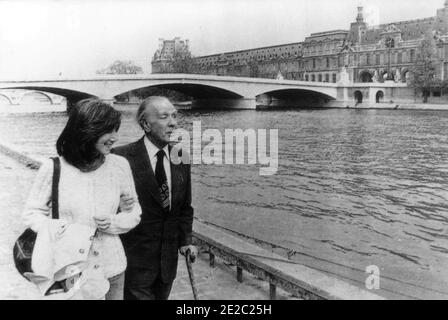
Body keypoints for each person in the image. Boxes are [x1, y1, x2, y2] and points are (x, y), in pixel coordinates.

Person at [22, 99, 142, 300]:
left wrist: (114, 222)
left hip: (112, 267)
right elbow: (31, 213)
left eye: (116, 130)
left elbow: (134, 210)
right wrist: (59, 229)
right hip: (69, 270)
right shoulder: (53, 168)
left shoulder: (119, 165)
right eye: (109, 131)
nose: (115, 138)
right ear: (87, 131)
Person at [113, 96, 197, 300]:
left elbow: (185, 208)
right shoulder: (120, 158)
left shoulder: (181, 157)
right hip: (134, 263)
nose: (173, 123)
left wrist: (186, 240)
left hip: (167, 264)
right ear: (145, 124)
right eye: (164, 116)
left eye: (174, 116)